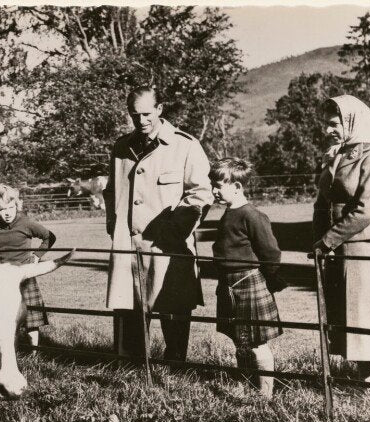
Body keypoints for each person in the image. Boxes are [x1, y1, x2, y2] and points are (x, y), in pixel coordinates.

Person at [103, 85, 213, 361]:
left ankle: (175, 371)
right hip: (128, 245)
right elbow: (111, 193)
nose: (141, 121)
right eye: (134, 115)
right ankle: (130, 372)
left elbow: (201, 194)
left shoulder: (185, 145)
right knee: (128, 311)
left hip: (168, 247)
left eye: (146, 114)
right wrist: (114, 227)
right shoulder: (121, 147)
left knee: (174, 309)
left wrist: (175, 231)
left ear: (160, 109)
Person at [313, 95, 370, 394]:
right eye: (325, 123)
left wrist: (327, 240)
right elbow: (323, 201)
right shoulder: (336, 154)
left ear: (352, 121)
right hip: (337, 250)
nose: (327, 130)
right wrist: (320, 241)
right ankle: (367, 388)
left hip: (363, 247)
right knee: (350, 317)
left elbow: (366, 209)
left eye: (333, 123)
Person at [210, 158, 288, 397]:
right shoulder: (229, 213)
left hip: (248, 284)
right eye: (212, 184)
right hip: (229, 285)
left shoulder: (252, 215)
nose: (214, 190)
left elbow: (271, 253)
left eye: (219, 185)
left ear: (237, 187)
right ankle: (245, 385)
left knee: (256, 342)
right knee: (239, 340)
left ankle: (265, 394)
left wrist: (271, 280)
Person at [0, 183, 56, 350]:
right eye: (2, 209)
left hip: (24, 276)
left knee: (31, 319)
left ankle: (35, 354)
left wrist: (37, 257)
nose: (7, 213)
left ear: (16, 205)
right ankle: (7, 352)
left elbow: (49, 237)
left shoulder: (26, 223)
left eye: (11, 207)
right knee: (3, 318)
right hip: (1, 277)